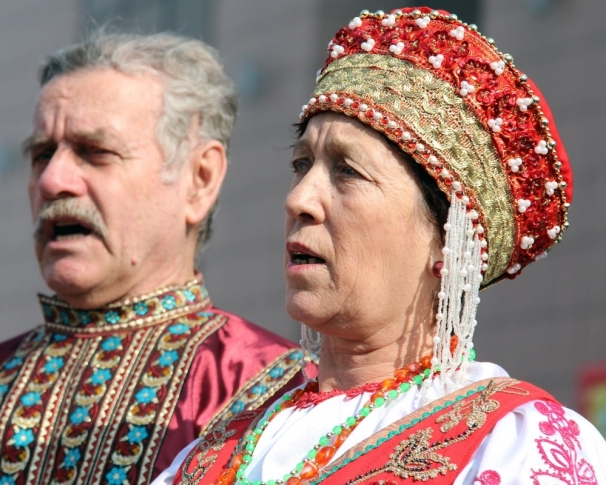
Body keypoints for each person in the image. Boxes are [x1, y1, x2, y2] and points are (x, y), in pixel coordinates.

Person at [155, 7, 606, 485]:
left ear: (449, 241)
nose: (299, 199)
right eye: (301, 164)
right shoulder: (218, 448)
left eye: (347, 171)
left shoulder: (517, 445)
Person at [0, 33, 306, 485]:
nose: (53, 180)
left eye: (95, 152)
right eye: (42, 154)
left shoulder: (279, 401)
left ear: (199, 179)